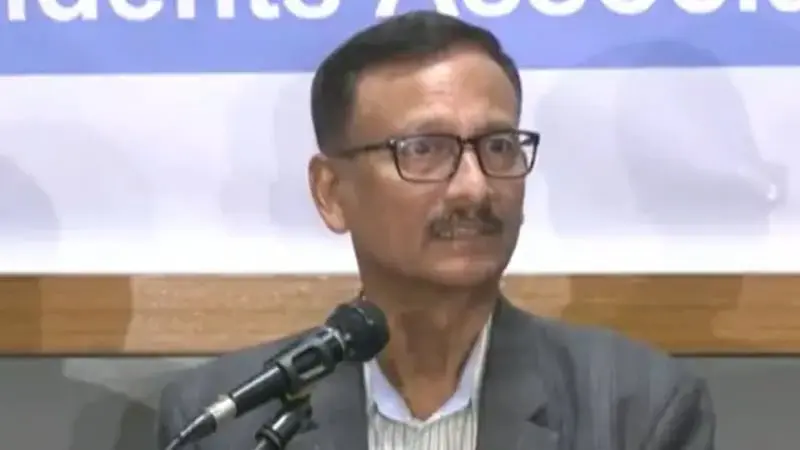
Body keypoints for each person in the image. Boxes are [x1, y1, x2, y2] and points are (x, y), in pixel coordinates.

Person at [156, 11, 715, 450]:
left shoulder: (636, 410)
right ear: (331, 192)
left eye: (498, 146)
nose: (475, 187)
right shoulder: (224, 421)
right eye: (424, 150)